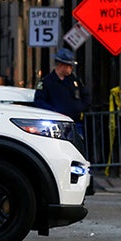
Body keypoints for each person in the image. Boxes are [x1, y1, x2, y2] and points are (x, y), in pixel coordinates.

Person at [34, 47, 94, 194]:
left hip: (75, 124)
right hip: (56, 126)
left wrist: (79, 108)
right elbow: (39, 101)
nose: (71, 68)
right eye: (69, 65)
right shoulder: (47, 82)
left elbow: (86, 97)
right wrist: (55, 112)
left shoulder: (74, 81)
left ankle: (83, 184)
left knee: (79, 154)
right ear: (61, 65)